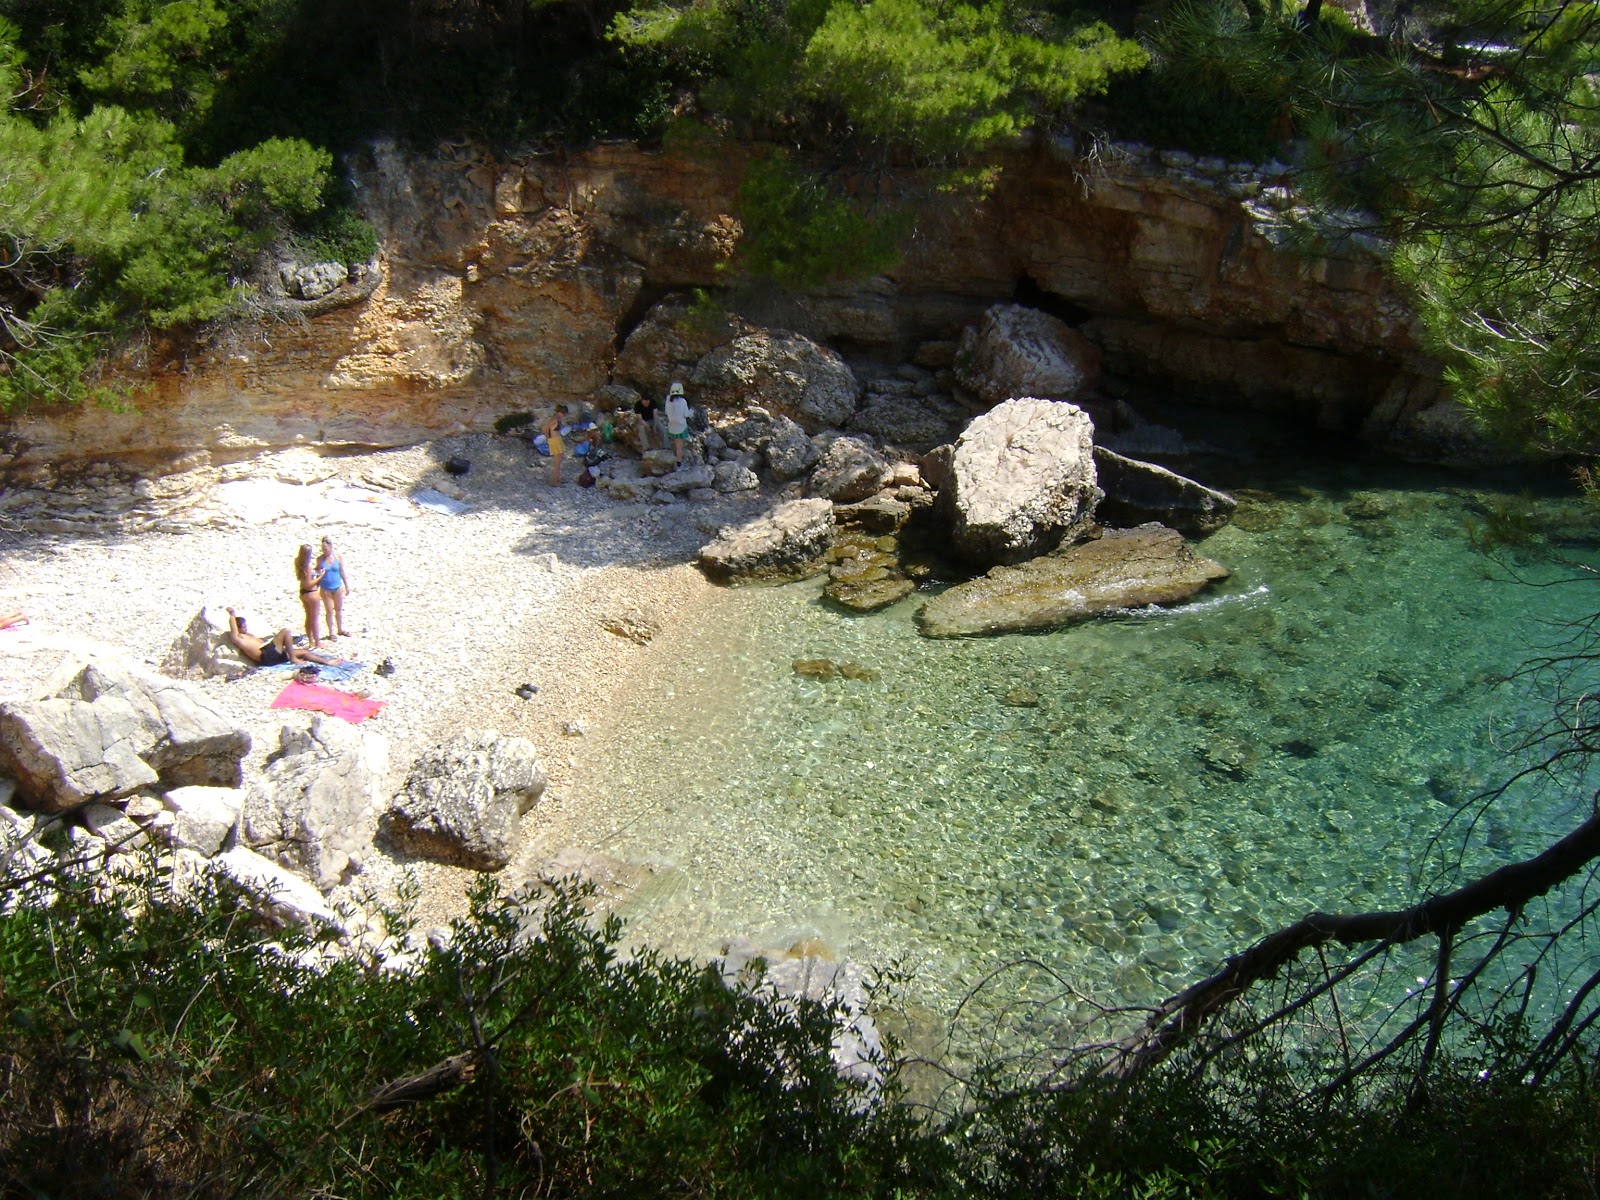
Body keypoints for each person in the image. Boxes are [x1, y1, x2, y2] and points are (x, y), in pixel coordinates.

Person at [225, 607, 341, 667]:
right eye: (243, 627)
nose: (246, 629)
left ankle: (327, 662)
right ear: (238, 628)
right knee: (285, 631)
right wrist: (232, 614)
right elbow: (233, 626)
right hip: (266, 656)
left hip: (272, 654)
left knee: (304, 652)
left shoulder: (248, 636)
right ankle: (293, 659)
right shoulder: (238, 638)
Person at [316, 535, 351, 638]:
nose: (324, 550)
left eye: (326, 548)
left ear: (331, 547)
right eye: (322, 548)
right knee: (329, 611)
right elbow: (317, 573)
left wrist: (347, 585)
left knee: (339, 609)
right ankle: (331, 632)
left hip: (337, 586)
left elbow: (342, 571)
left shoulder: (338, 557)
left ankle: (340, 629)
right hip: (325, 587)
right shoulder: (320, 560)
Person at [295, 544, 324, 647]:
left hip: (303, 593)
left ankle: (311, 640)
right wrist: (320, 577)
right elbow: (309, 584)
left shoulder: (298, 562)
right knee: (315, 618)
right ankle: (317, 642)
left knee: (308, 617)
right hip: (311, 592)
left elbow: (303, 580)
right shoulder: (307, 566)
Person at [664, 380, 692, 466]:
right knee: (679, 447)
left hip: (672, 426)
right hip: (681, 427)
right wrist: (692, 411)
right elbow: (686, 414)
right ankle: (679, 462)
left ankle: (674, 458)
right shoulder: (682, 401)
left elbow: (666, 412)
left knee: (675, 444)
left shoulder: (668, 401)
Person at [542, 404, 570, 486]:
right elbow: (545, 428)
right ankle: (554, 481)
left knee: (559, 461)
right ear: (560, 412)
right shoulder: (554, 420)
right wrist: (548, 438)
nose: (564, 415)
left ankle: (557, 478)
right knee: (557, 462)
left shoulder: (557, 418)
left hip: (557, 440)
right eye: (563, 413)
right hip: (554, 441)